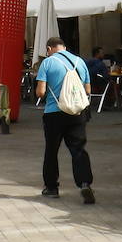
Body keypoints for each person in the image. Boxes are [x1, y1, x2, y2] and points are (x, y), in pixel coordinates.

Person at [34, 37, 95, 203]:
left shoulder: (47, 63)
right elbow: (88, 89)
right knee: (78, 149)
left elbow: (40, 92)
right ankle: (84, 183)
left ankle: (52, 188)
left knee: (51, 151)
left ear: (49, 49)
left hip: (54, 113)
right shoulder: (79, 61)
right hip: (77, 112)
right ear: (64, 47)